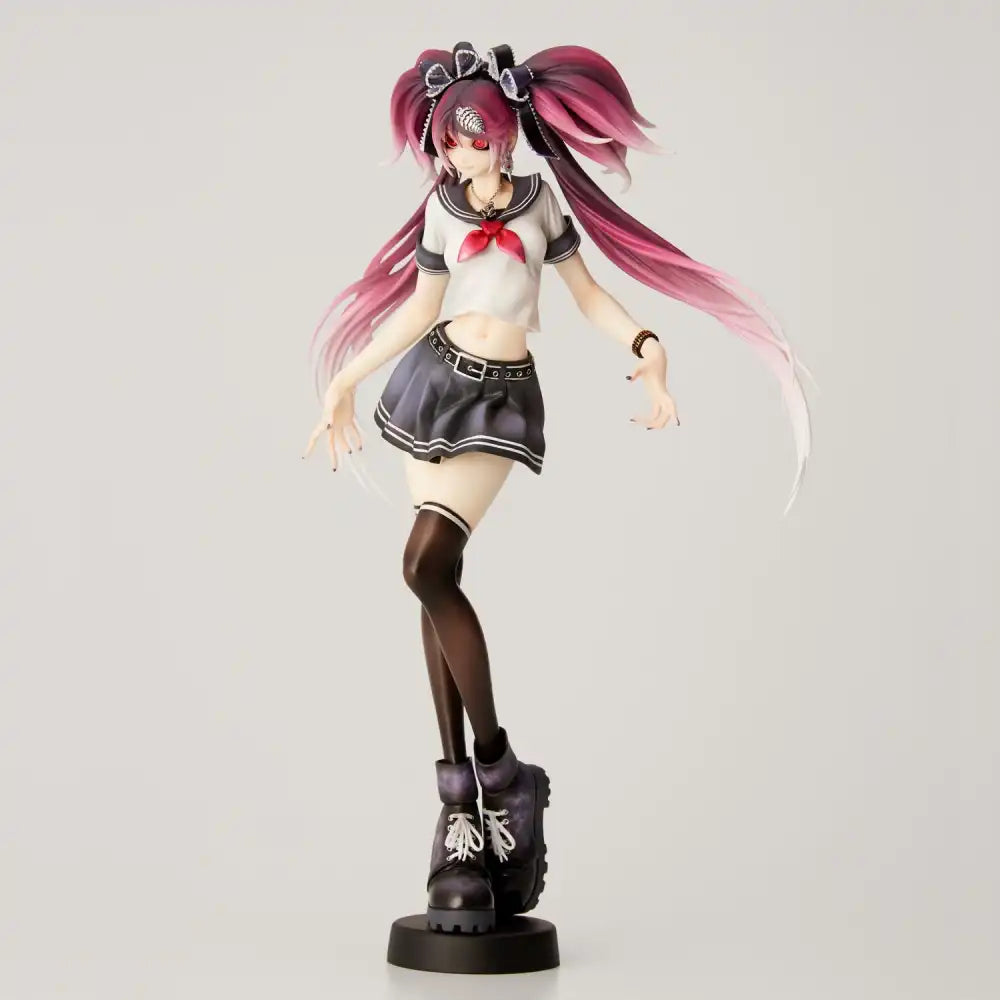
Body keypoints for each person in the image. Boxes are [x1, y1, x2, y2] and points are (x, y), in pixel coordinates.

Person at [302, 42, 812, 934]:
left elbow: (587, 294)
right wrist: (345, 377)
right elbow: (419, 307)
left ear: (504, 136)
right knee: (434, 584)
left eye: (481, 138)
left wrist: (647, 346)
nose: (469, 153)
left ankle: (501, 773)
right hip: (429, 383)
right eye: (456, 141)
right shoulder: (443, 209)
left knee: (426, 565)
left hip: (497, 400)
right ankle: (463, 813)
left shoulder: (539, 203)